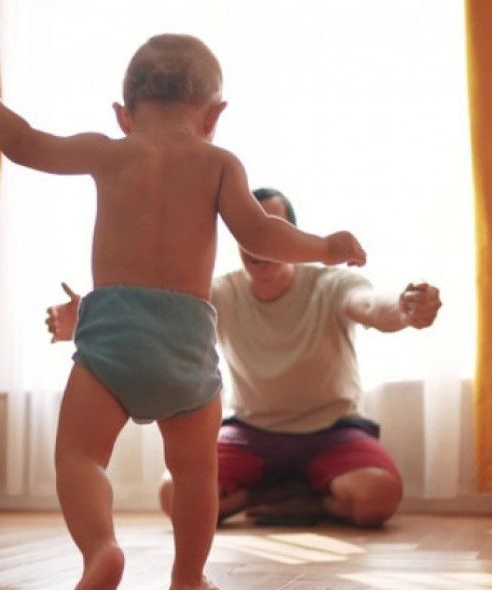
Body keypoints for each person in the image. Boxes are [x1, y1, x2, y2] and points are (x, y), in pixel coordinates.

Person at [0, 36, 366, 590]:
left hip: (112, 337)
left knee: (79, 455)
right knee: (196, 471)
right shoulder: (219, 161)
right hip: (185, 342)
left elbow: (24, 145)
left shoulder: (109, 151)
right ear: (213, 115)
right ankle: (188, 579)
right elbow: (261, 235)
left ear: (122, 114)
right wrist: (326, 248)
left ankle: (101, 550)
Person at [47, 188, 442, 529]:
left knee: (378, 498)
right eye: (250, 230)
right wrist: (88, 318)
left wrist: (406, 310)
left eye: (272, 228)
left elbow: (373, 306)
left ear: (293, 235)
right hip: (251, 432)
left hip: (333, 428)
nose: (260, 239)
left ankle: (301, 495)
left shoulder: (332, 284)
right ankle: (275, 495)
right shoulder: (219, 292)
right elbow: (154, 321)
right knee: (173, 495)